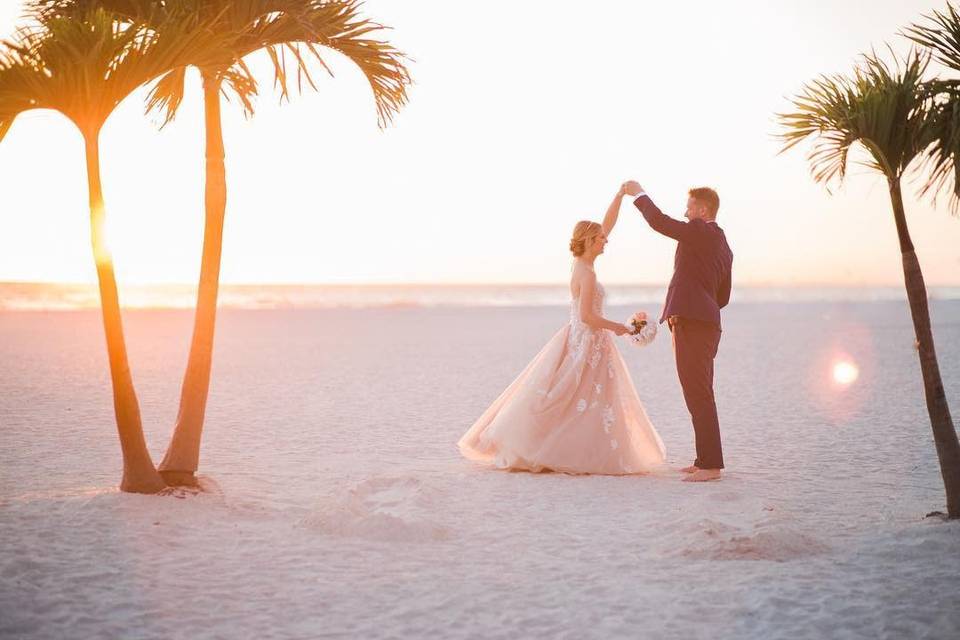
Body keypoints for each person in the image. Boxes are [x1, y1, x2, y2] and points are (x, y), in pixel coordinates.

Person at [458, 184, 665, 474]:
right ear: (591, 241)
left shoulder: (580, 263)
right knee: (577, 398)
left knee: (579, 398)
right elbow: (588, 317)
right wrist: (621, 327)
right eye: (602, 240)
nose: (606, 242)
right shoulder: (588, 273)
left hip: (579, 338)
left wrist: (619, 197)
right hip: (588, 340)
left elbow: (607, 225)